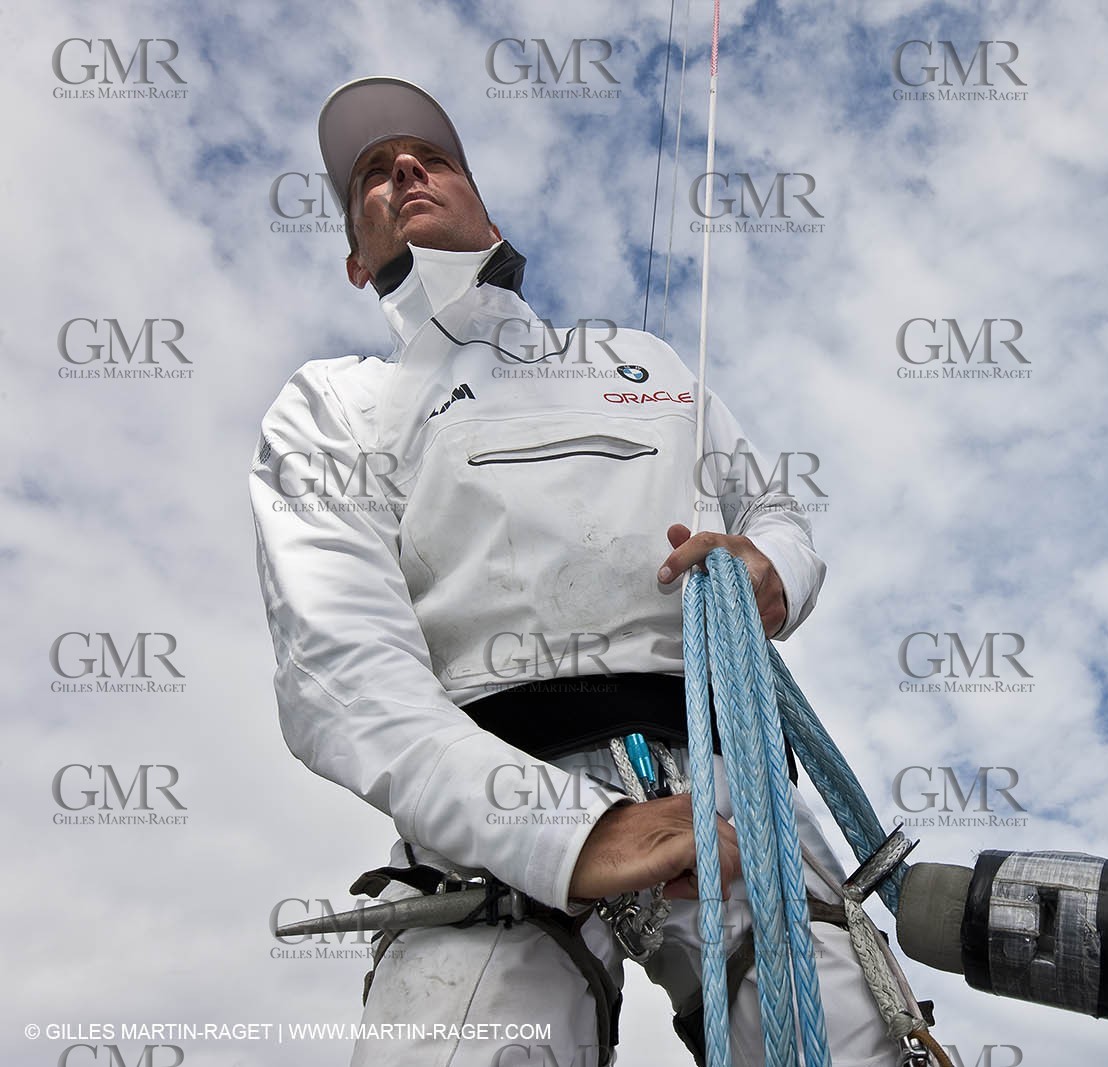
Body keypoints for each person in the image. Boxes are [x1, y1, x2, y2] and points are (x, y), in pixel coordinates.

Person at [248, 77, 910, 1067]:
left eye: (428, 159)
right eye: (373, 177)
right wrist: (573, 833)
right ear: (355, 257)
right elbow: (339, 669)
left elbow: (770, 509)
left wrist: (772, 569)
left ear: (487, 210)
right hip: (489, 805)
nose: (403, 172)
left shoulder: (644, 358)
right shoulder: (332, 405)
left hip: (731, 793)